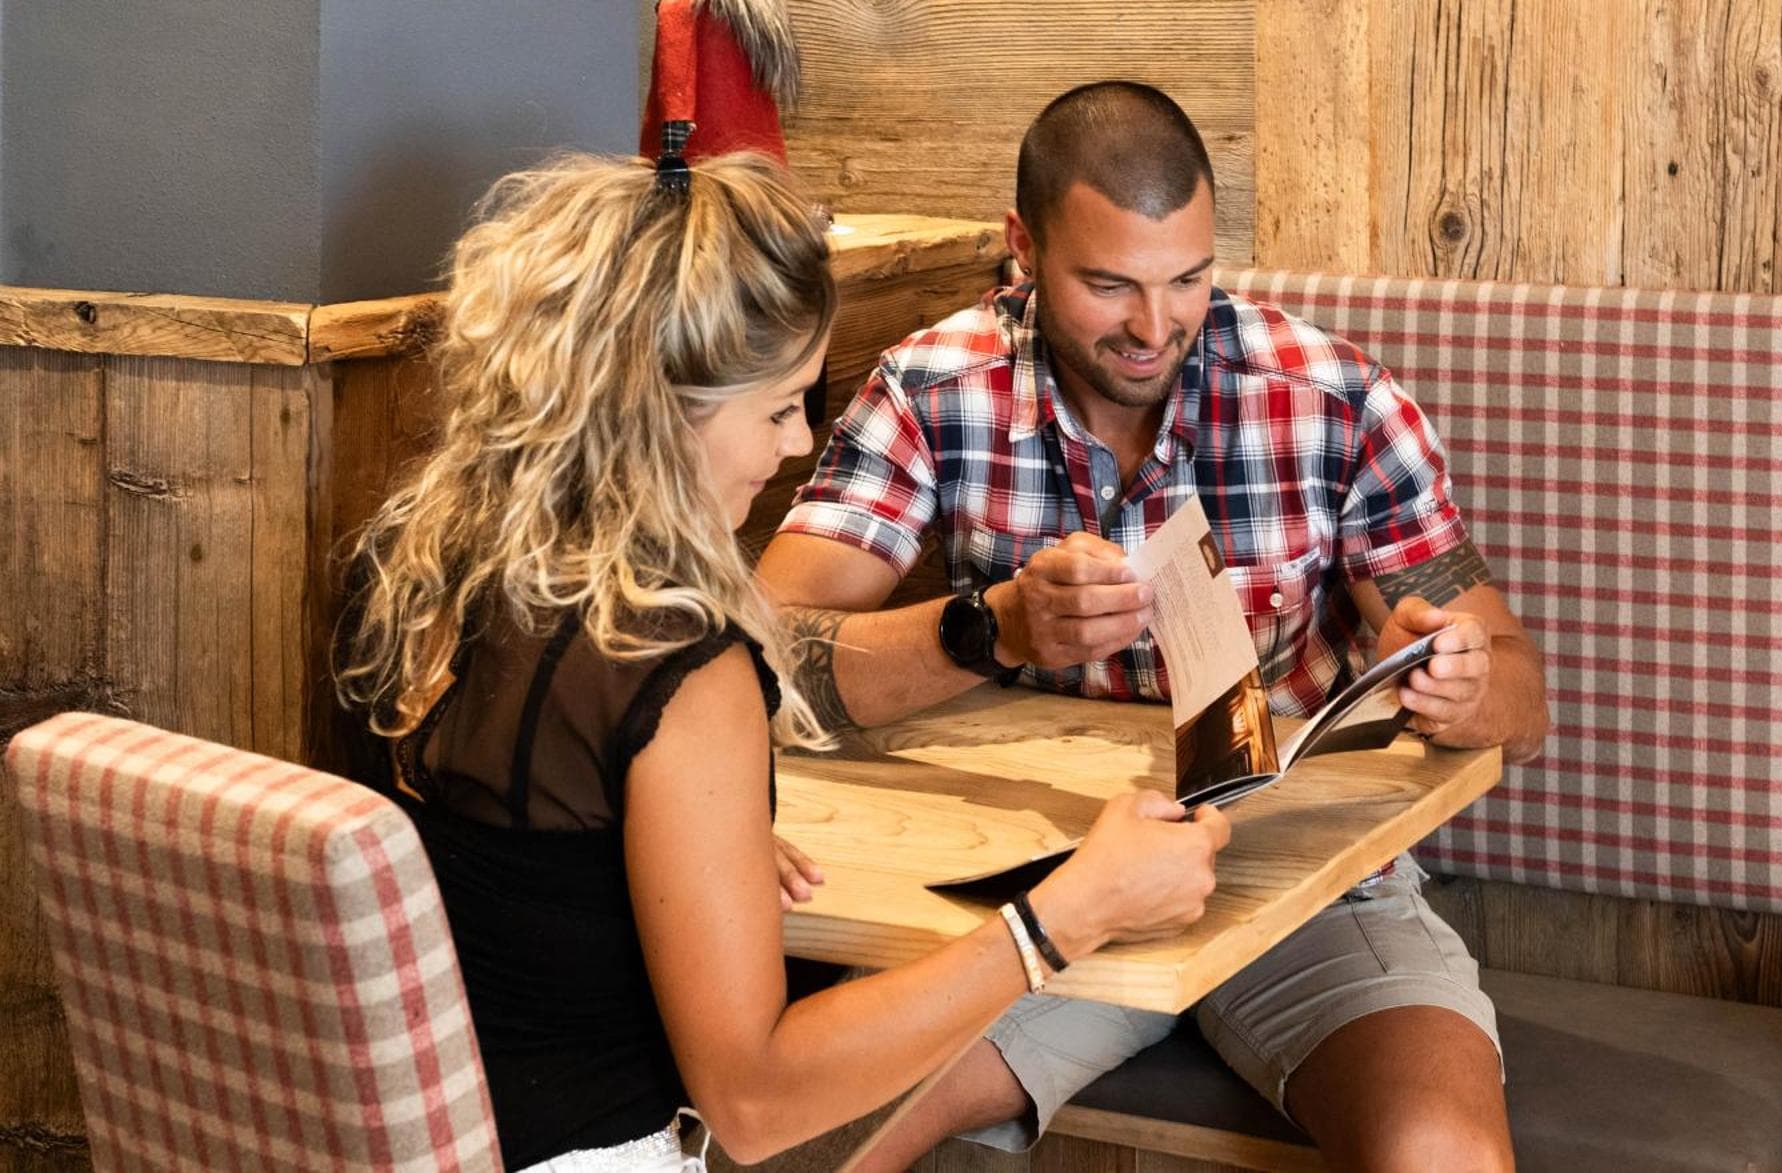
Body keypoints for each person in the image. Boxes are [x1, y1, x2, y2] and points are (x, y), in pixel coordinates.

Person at [333, 149, 1231, 1172]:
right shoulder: (675, 667)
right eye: (776, 408)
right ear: (654, 411)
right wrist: (1068, 913)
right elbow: (756, 1102)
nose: (797, 444)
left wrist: (677, 842)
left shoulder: (417, 568)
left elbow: (511, 872)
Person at [758, 82, 1551, 1171]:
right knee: (816, 1137)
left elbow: (1521, 699)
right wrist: (996, 626)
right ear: (1022, 248)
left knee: (1440, 1156)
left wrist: (1460, 680)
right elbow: (757, 655)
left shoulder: (1331, 399)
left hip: (1307, 886)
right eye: (1108, 285)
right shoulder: (935, 388)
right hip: (1047, 884)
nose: (1152, 325)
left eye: (1186, 278)